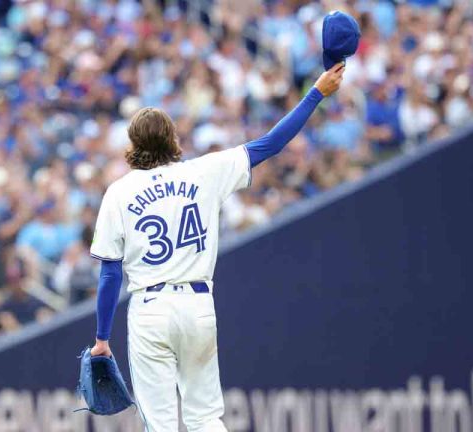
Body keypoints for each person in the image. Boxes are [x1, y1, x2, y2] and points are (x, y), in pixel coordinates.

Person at [88, 64, 345, 431]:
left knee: (160, 425)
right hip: (197, 304)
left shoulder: (119, 192)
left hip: (150, 308)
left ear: (133, 145)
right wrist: (316, 92)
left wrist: (101, 337)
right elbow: (271, 142)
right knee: (206, 419)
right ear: (172, 138)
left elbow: (110, 272)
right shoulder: (204, 171)